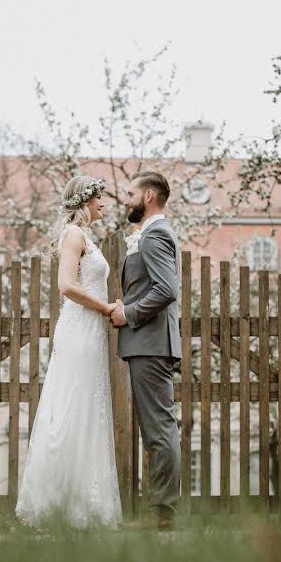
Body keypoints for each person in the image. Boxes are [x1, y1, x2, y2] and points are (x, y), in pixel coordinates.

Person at [15, 175, 122, 529]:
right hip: (79, 329)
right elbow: (66, 286)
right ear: (85, 201)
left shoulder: (86, 237)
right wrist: (106, 308)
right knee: (69, 407)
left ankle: (81, 501)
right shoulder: (74, 236)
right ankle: (50, 502)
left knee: (88, 408)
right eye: (99, 199)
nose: (103, 204)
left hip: (90, 332)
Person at [109, 171, 181, 532]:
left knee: (159, 429)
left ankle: (162, 514)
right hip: (148, 343)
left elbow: (167, 289)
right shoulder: (149, 234)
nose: (126, 199)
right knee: (157, 427)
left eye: (130, 192)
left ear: (149, 196)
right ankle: (161, 512)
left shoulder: (156, 234)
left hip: (151, 342)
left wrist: (129, 313)